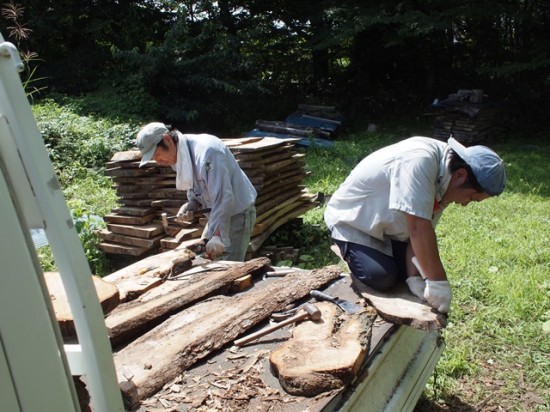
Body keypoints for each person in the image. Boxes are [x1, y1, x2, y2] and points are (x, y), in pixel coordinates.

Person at [324, 136, 506, 313]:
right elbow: (418, 228)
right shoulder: (420, 160)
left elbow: (421, 229)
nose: (465, 203)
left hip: (391, 229)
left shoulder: (448, 177)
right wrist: (438, 283)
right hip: (355, 223)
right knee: (381, 277)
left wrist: (413, 277)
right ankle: (349, 250)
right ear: (460, 175)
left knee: (409, 276)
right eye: (471, 197)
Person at [136, 122, 257, 261]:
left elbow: (224, 196)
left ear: (167, 140)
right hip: (217, 214)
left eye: (157, 154)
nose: (158, 161)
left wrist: (217, 235)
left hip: (236, 213)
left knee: (228, 270)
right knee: (203, 261)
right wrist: (192, 204)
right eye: (153, 158)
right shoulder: (179, 155)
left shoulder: (208, 153)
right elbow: (200, 188)